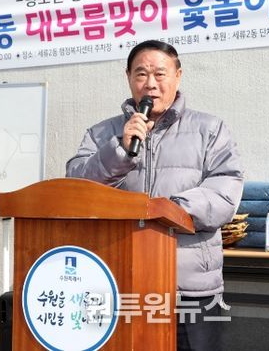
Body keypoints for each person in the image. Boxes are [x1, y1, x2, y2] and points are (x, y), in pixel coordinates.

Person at [66, 40, 244, 350]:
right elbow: (75, 188)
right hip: (116, 281)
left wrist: (163, 210)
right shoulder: (101, 134)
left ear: (178, 76)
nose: (150, 84)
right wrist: (119, 150)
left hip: (188, 287)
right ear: (128, 77)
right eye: (141, 74)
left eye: (160, 74)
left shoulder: (210, 129)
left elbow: (224, 195)